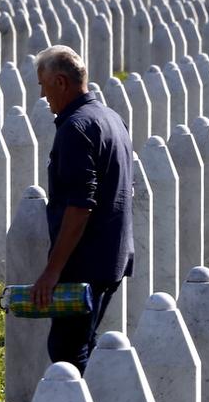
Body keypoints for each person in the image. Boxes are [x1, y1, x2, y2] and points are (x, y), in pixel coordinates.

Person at [30, 45, 134, 374]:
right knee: (83, 343)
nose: (43, 95)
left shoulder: (75, 128)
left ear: (60, 82)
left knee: (67, 352)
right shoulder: (110, 117)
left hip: (84, 262)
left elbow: (80, 205)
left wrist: (52, 270)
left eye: (43, 84)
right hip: (112, 256)